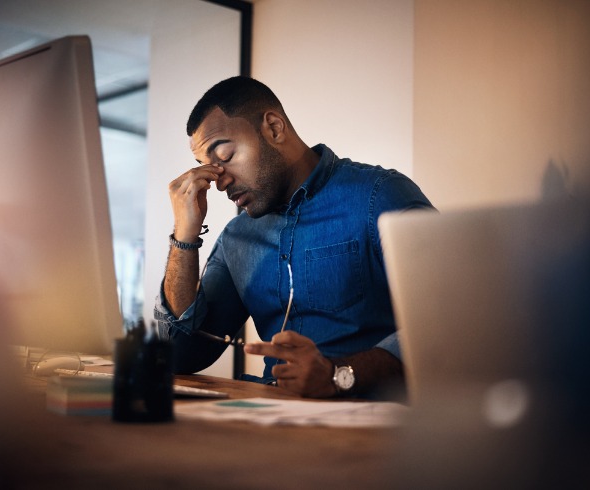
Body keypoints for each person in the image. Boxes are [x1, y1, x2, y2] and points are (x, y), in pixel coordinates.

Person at [154, 76, 433, 398]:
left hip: (371, 425)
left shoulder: (379, 196)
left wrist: (338, 375)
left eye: (226, 156)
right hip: (274, 420)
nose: (219, 182)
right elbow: (181, 356)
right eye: (207, 167)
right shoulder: (237, 237)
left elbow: (448, 321)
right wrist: (184, 236)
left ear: (273, 127)